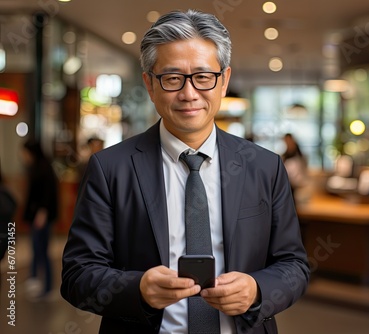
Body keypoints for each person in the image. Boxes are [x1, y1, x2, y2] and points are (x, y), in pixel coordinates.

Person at [61, 9, 310, 334]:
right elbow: (77, 274)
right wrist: (138, 288)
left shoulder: (264, 166)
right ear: (150, 84)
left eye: (203, 76)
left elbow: (295, 265)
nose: (189, 93)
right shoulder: (111, 168)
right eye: (173, 78)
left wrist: (256, 289)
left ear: (224, 81)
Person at [21, 139, 59, 299]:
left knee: (41, 250)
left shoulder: (44, 168)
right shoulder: (35, 167)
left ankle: (47, 286)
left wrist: (42, 213)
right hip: (36, 216)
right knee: (37, 250)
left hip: (41, 217)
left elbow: (48, 195)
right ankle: (35, 282)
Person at [281, 133, 308, 200]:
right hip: (287, 185)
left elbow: (302, 170)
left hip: (296, 185)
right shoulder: (284, 156)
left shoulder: (299, 156)